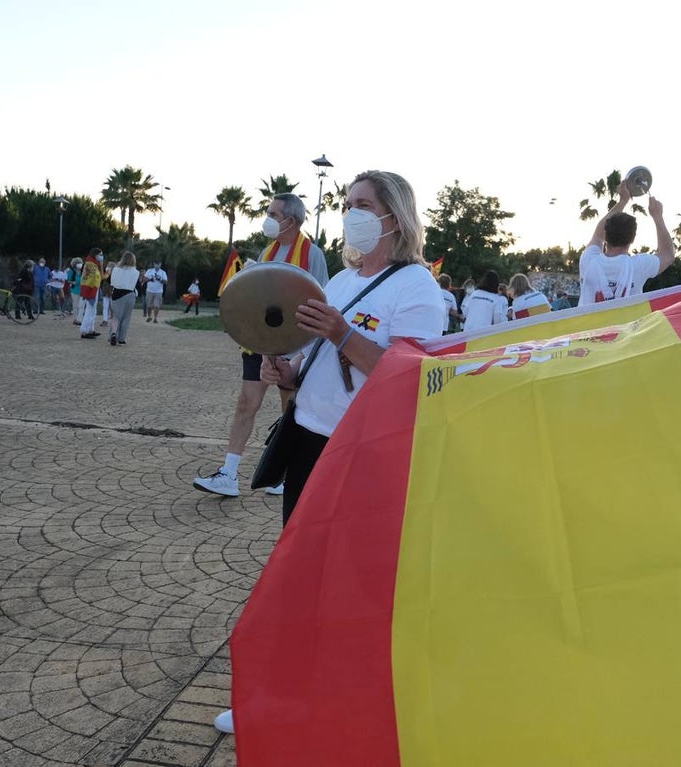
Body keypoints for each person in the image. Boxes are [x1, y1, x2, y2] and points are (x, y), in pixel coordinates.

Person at [214, 169, 445, 736]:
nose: (351, 214)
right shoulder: (338, 281)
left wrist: (342, 335)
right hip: (310, 442)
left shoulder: (415, 287)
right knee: (303, 577)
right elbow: (320, 366)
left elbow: (409, 378)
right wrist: (286, 370)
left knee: (347, 586)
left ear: (395, 214)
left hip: (363, 453)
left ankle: (341, 699)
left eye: (363, 204)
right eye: (347, 203)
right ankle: (285, 695)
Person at [193, 194, 329, 498]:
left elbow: (320, 300)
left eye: (273, 213)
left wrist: (301, 351)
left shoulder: (312, 254)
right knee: (246, 403)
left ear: (290, 221)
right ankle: (228, 473)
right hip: (260, 344)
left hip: (294, 346)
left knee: (289, 411)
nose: (267, 218)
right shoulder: (268, 251)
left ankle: (283, 474)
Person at [578, 179, 675, 307]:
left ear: (606, 235)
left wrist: (623, 201)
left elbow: (598, 234)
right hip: (625, 327)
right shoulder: (639, 266)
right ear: (632, 239)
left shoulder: (588, 260)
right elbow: (668, 254)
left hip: (590, 327)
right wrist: (658, 217)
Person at [107, 251, 140, 345]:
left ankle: (113, 333)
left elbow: (111, 282)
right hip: (130, 294)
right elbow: (137, 285)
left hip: (117, 294)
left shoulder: (116, 269)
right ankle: (121, 338)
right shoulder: (136, 272)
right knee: (126, 317)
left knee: (116, 316)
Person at [79, 248, 103, 338]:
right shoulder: (90, 264)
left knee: (93, 310)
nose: (101, 257)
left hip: (94, 288)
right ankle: (85, 330)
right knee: (89, 310)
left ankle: (90, 329)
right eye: (100, 254)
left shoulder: (94, 264)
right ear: (95, 255)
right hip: (90, 289)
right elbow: (89, 279)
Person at [66, 257, 83, 322]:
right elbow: (68, 280)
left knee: (81, 305)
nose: (79, 264)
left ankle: (80, 317)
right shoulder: (71, 271)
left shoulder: (82, 271)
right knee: (75, 304)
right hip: (75, 290)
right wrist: (73, 282)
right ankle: (76, 318)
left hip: (82, 290)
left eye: (80, 262)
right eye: (77, 263)